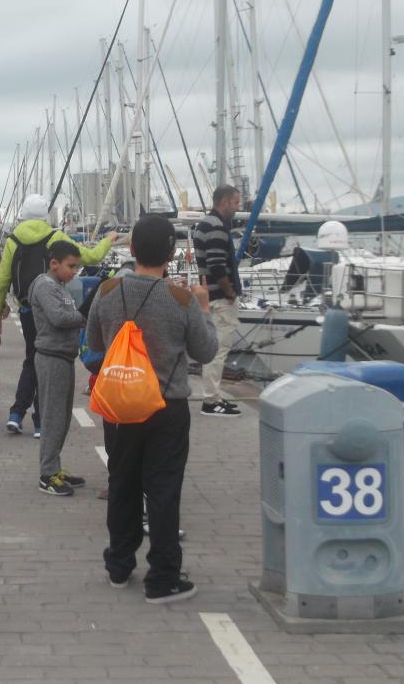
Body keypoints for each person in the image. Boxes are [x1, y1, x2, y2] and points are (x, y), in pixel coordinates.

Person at [86, 215, 216, 603]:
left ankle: (119, 565)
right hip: (166, 406)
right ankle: (162, 577)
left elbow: (94, 341)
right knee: (162, 489)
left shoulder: (107, 291)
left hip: (119, 406)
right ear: (171, 255)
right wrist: (205, 309)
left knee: (122, 483)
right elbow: (206, 351)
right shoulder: (181, 299)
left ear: (131, 249)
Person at [0, 193, 117, 437]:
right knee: (45, 361)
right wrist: (108, 240)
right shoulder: (55, 237)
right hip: (51, 309)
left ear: (23, 215)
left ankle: (16, 414)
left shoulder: (13, 239)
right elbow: (91, 257)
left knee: (33, 357)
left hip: (27, 309)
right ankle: (40, 421)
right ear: (45, 216)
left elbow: (2, 280)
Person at [29, 239, 88, 497]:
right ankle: (47, 475)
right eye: (71, 266)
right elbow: (59, 318)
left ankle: (54, 467)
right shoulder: (45, 286)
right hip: (51, 357)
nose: (74, 271)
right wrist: (85, 313)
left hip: (63, 357)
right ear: (54, 264)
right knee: (53, 418)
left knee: (61, 419)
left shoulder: (59, 286)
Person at [193, 185, 244, 418]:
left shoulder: (204, 224)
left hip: (209, 296)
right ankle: (211, 400)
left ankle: (213, 396)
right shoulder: (217, 227)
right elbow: (216, 264)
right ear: (224, 201)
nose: (237, 207)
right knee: (219, 350)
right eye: (235, 202)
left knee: (213, 349)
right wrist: (230, 292)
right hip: (220, 298)